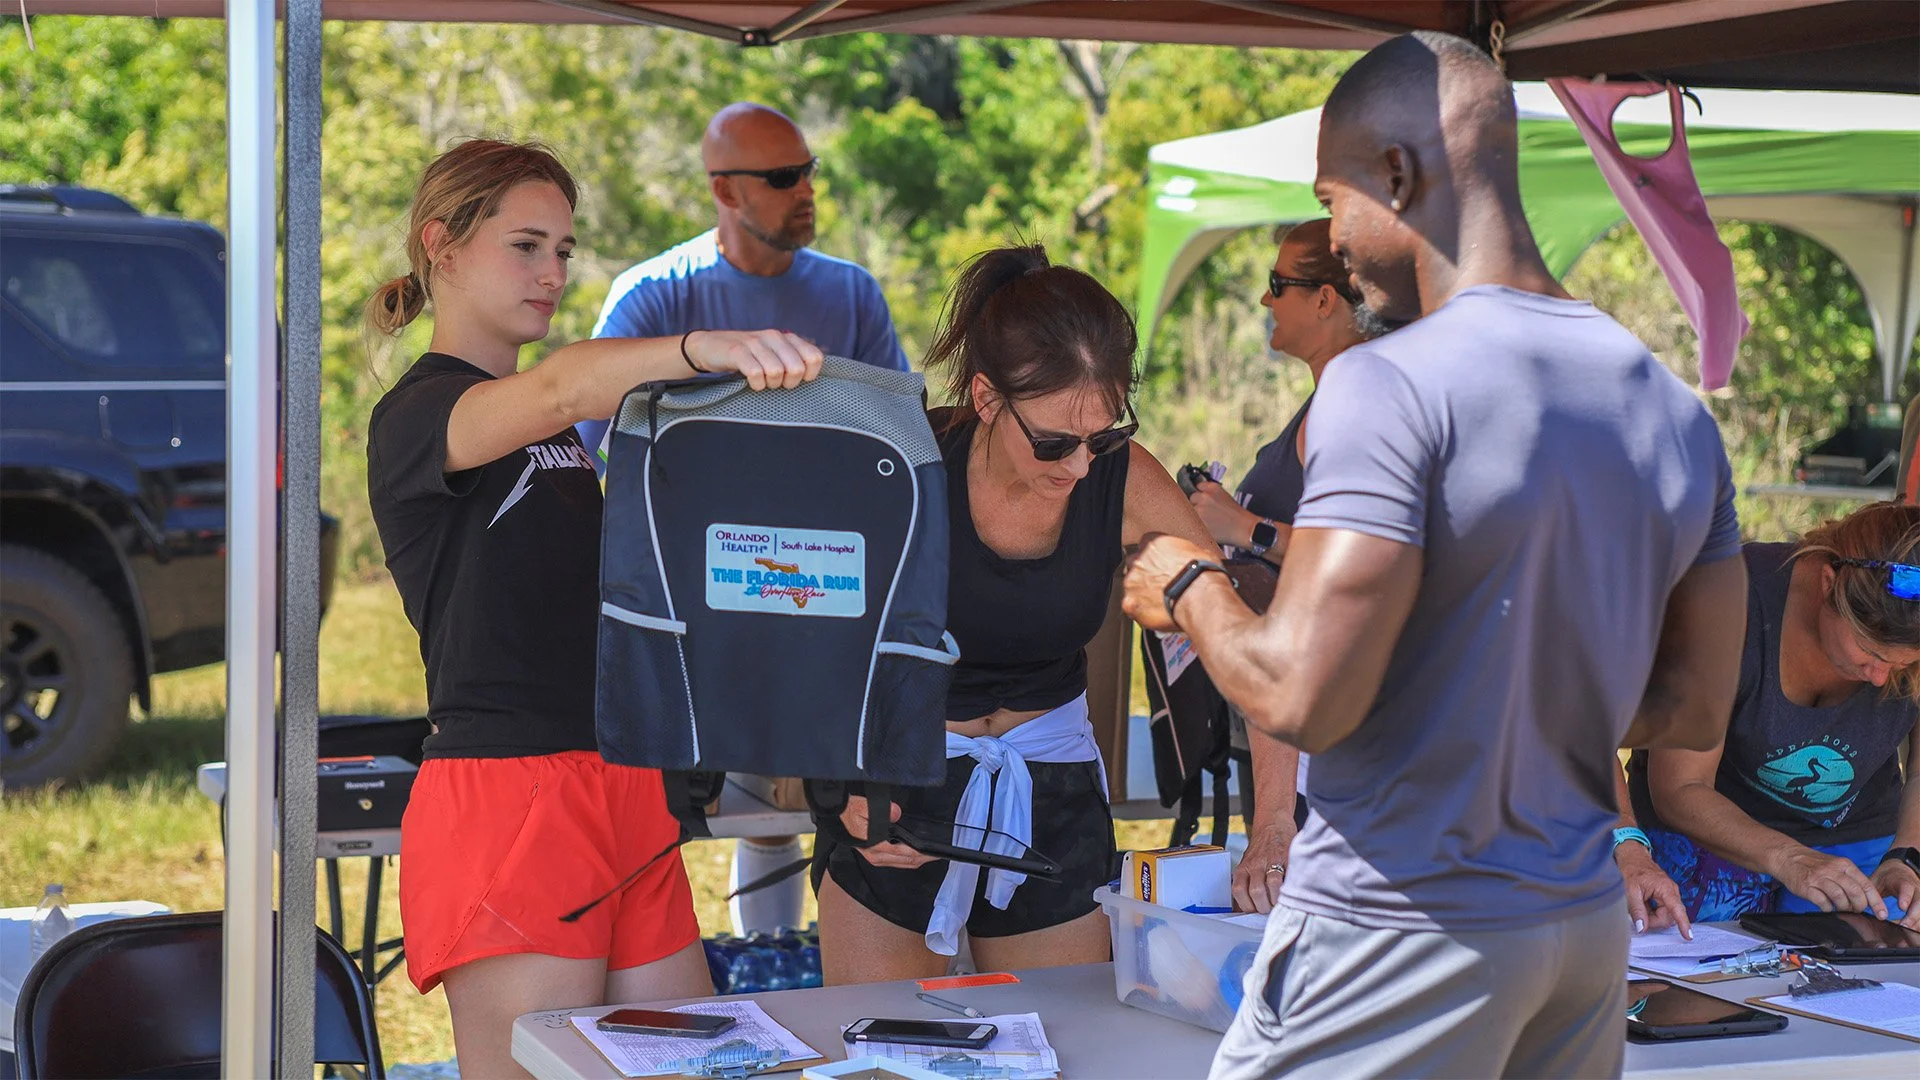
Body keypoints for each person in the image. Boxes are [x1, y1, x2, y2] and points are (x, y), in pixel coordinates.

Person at [1121, 31, 1746, 1080]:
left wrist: (1188, 581)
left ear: (1398, 175)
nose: (1337, 241)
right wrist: (1513, 698)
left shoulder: (1387, 384)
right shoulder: (1674, 411)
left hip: (1395, 929)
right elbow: (1693, 709)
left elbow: (1301, 695)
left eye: (1333, 203)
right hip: (1582, 939)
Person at [364, 138, 822, 1078]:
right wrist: (705, 346)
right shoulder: (422, 416)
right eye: (526, 245)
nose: (553, 273)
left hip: (619, 784)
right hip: (508, 792)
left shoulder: (559, 438)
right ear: (441, 246)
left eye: (565, 251)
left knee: (701, 1066)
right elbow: (567, 383)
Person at [812, 243, 1217, 985]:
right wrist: (836, 788)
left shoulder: (1121, 479)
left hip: (1048, 783)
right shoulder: (904, 465)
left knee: (1055, 1045)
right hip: (897, 786)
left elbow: (1243, 644)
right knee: (886, 1052)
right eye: (1056, 442)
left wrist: (1278, 827)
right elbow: (805, 633)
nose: (1080, 467)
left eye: (1106, 436)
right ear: (987, 398)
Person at [578, 103, 909, 935]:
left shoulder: (850, 292)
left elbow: (904, 442)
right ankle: (690, 964)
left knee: (811, 797)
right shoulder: (655, 296)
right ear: (724, 190)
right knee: (668, 815)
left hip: (826, 594)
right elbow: (589, 446)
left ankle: (789, 962)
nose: (805, 192)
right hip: (693, 604)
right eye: (781, 177)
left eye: (808, 171)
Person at [1185, 218, 1380, 913]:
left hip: (1320, 740)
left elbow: (1367, 556)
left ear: (1327, 299)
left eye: (1278, 285)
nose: (1267, 302)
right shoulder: (1337, 396)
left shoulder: (1355, 401)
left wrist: (1242, 529)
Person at [1629, 502, 1920, 929]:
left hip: (1858, 838)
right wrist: (1790, 857)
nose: (1879, 679)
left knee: (1875, 972)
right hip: (1712, 831)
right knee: (1694, 969)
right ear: (1827, 584)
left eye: (1901, 667)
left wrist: (1907, 854)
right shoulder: (1725, 598)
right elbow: (1679, 786)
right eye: (1871, 653)